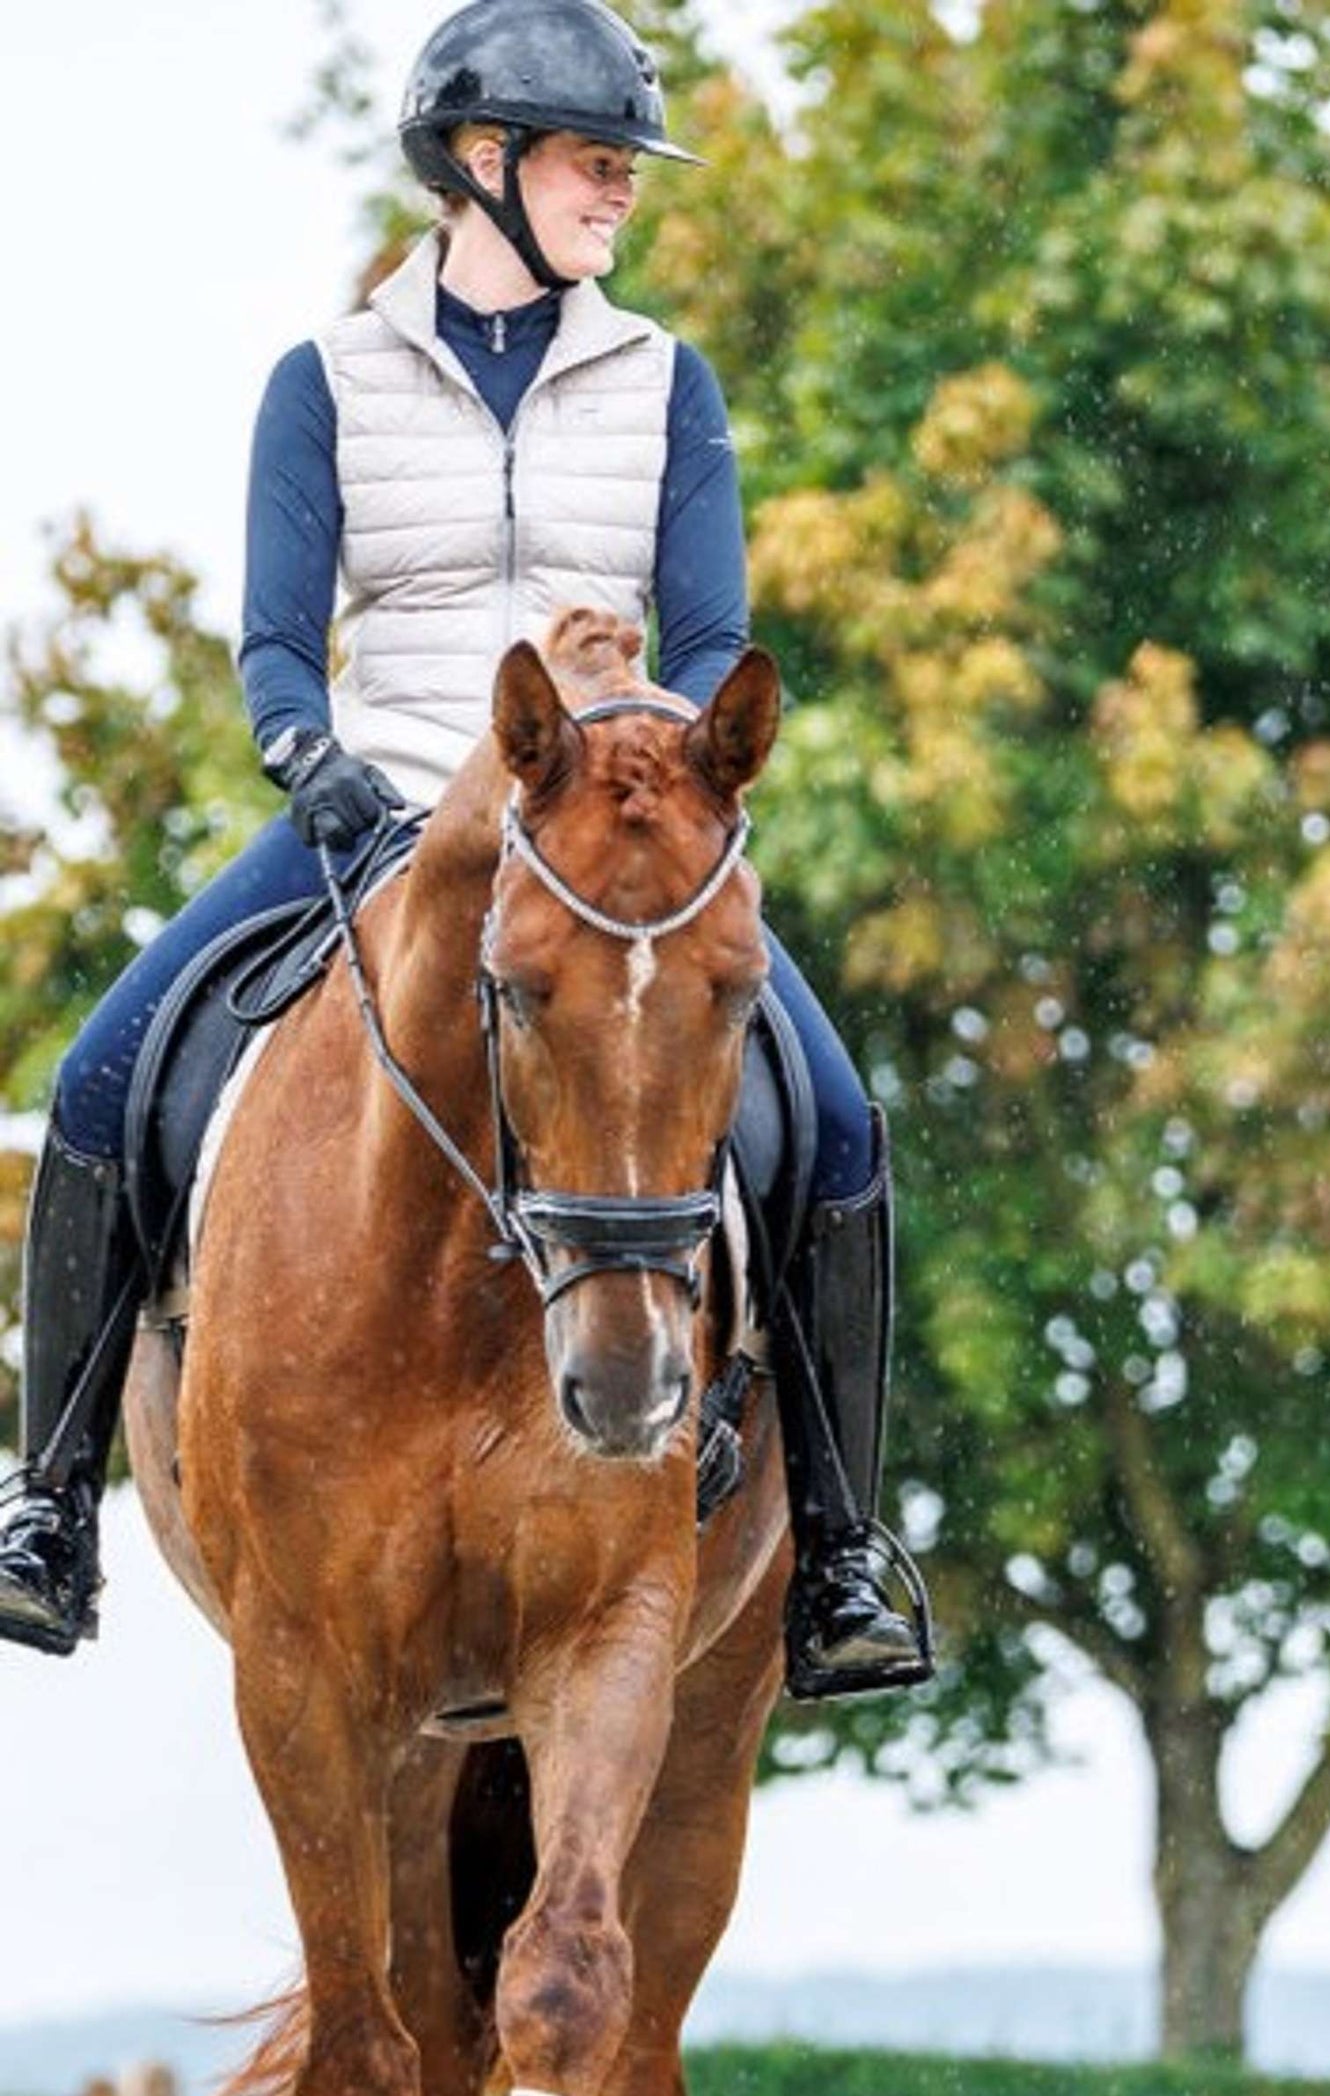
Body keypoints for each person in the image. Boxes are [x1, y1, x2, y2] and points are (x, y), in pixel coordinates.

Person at [0, 0, 926, 1700]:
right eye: (597, 161)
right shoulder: (329, 380)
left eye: (628, 168)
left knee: (842, 1122)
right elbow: (278, 643)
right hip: (387, 815)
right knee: (105, 1073)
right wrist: (316, 766)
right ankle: (49, 1499)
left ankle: (847, 1545)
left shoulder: (665, 382)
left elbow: (712, 640)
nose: (623, 190)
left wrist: (642, 752)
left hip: (608, 839)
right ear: (483, 161)